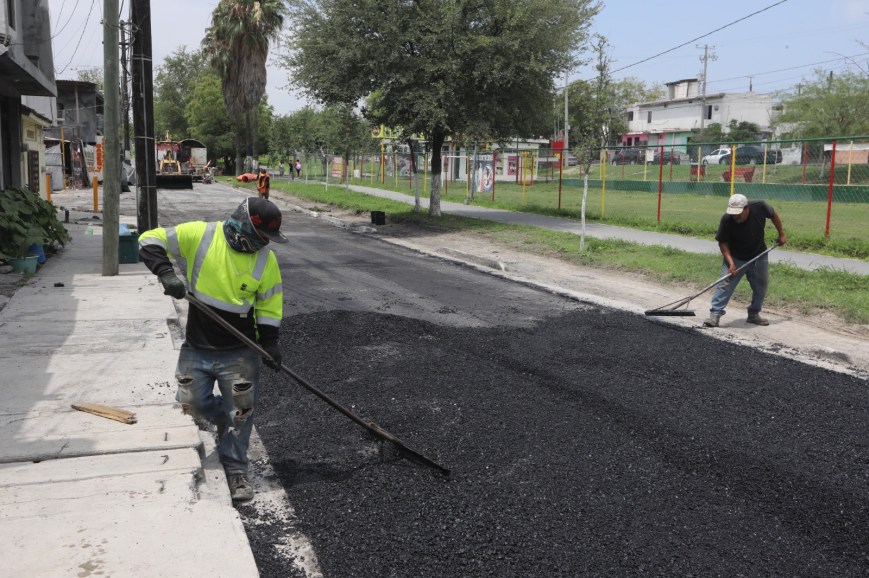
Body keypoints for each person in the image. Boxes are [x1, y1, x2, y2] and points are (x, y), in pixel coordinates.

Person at [138, 197, 287, 501]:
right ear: (243, 226)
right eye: (261, 237)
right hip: (198, 345)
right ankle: (224, 421)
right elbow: (148, 238)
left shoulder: (265, 260)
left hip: (240, 351)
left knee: (242, 413)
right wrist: (166, 272)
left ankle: (236, 472)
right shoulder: (201, 234)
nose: (263, 244)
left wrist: (270, 343)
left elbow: (269, 304)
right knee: (191, 400)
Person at [703, 194, 787, 328]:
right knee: (725, 284)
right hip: (735, 257)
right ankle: (714, 316)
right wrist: (731, 263)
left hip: (759, 254)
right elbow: (723, 243)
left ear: (746, 208)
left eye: (738, 214)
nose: (735, 217)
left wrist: (781, 234)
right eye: (733, 214)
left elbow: (773, 215)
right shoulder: (727, 220)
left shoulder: (760, 207)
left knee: (761, 285)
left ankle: (754, 314)